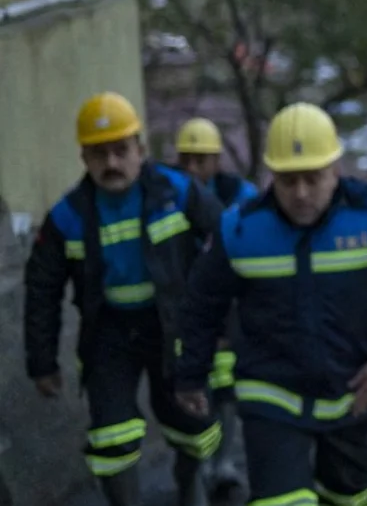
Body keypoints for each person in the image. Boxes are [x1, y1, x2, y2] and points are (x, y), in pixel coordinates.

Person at [173, 102, 367, 506]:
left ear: (335, 169)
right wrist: (191, 373)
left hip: (351, 396)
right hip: (271, 399)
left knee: (350, 499)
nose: (300, 193)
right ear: (271, 176)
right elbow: (200, 304)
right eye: (288, 180)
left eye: (312, 179)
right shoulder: (240, 229)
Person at [24, 92, 226, 506]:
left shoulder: (178, 191)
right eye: (100, 154)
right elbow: (42, 290)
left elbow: (227, 247)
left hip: (173, 326)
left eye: (121, 151)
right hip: (108, 334)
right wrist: (42, 361)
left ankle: (191, 489)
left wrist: (225, 323)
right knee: (110, 434)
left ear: (141, 149)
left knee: (191, 422)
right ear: (84, 158)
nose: (112, 164)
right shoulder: (68, 216)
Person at [173, 116, 259, 494]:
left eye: (200, 160)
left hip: (232, 310)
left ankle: (222, 463)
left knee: (226, 389)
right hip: (188, 308)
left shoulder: (241, 196)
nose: (192, 169)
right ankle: (201, 465)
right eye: (186, 160)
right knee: (193, 387)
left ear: (216, 160)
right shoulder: (170, 195)